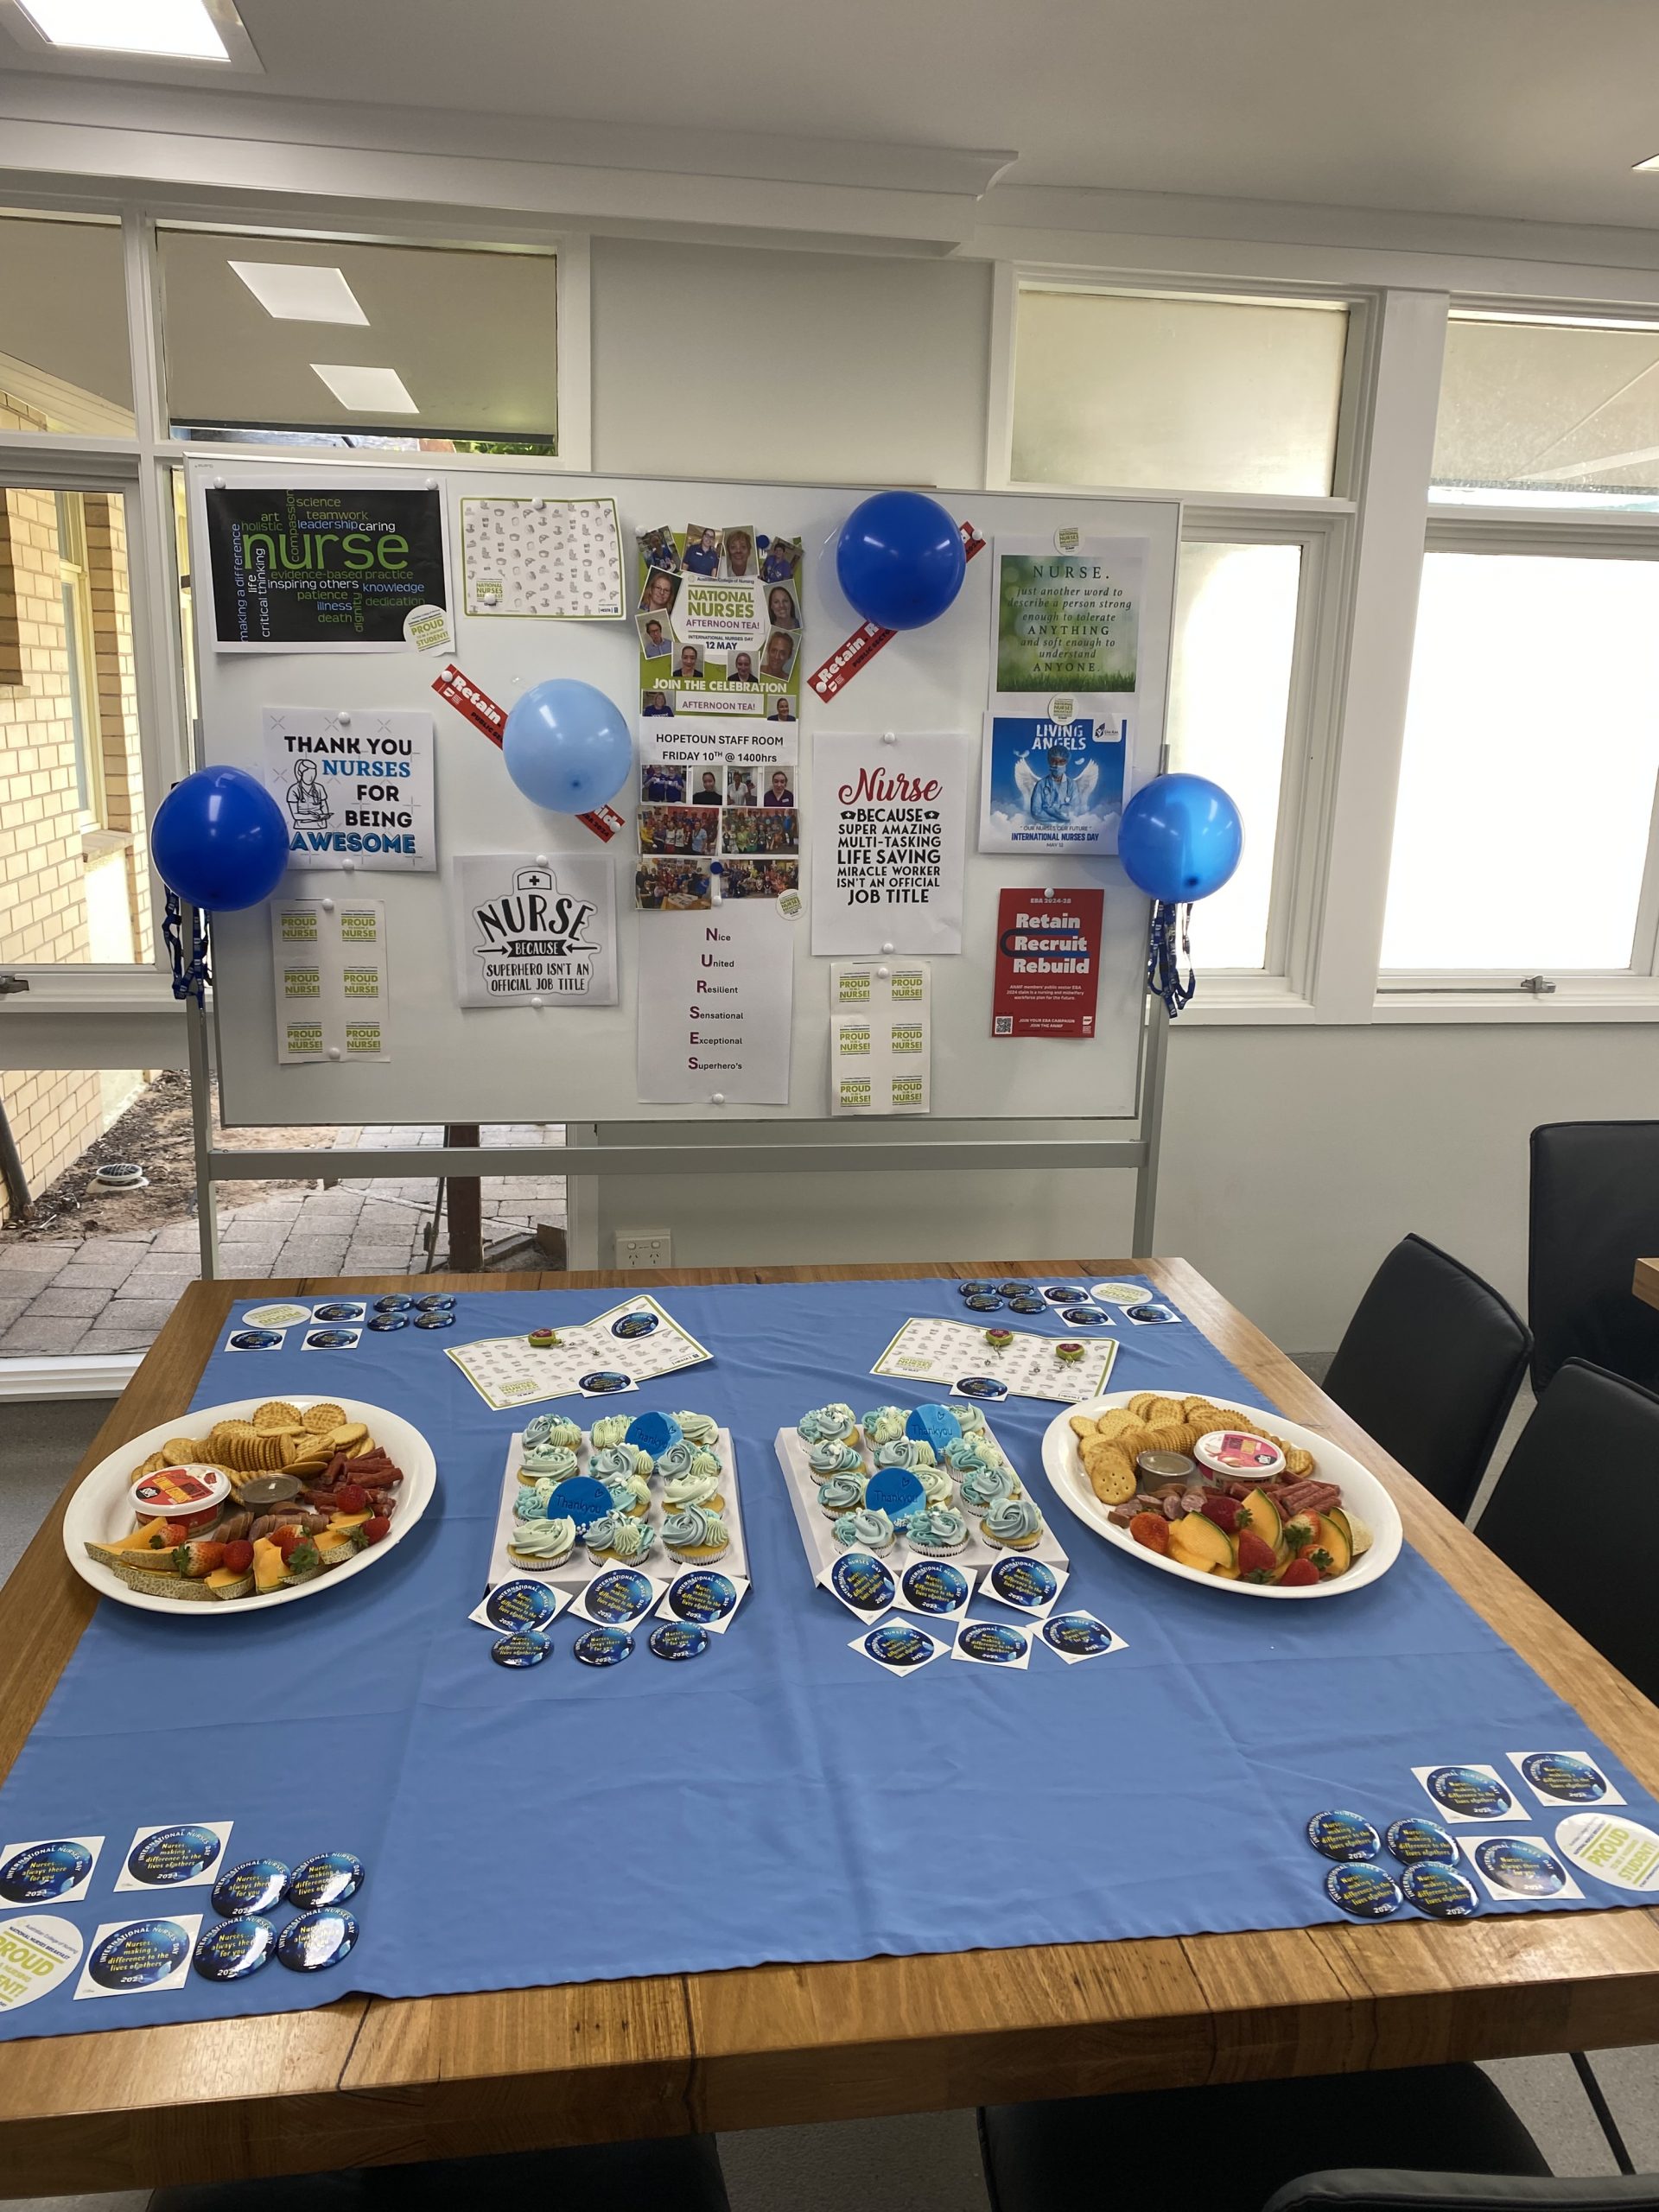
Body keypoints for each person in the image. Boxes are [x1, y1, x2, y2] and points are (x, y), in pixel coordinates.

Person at [285, 758, 330, 827]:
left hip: (320, 826)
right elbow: (295, 815)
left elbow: (324, 808)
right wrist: (309, 817)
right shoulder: (294, 789)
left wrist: (325, 815)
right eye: (308, 775)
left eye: (314, 774)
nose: (312, 778)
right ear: (300, 773)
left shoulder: (319, 788)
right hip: (302, 826)